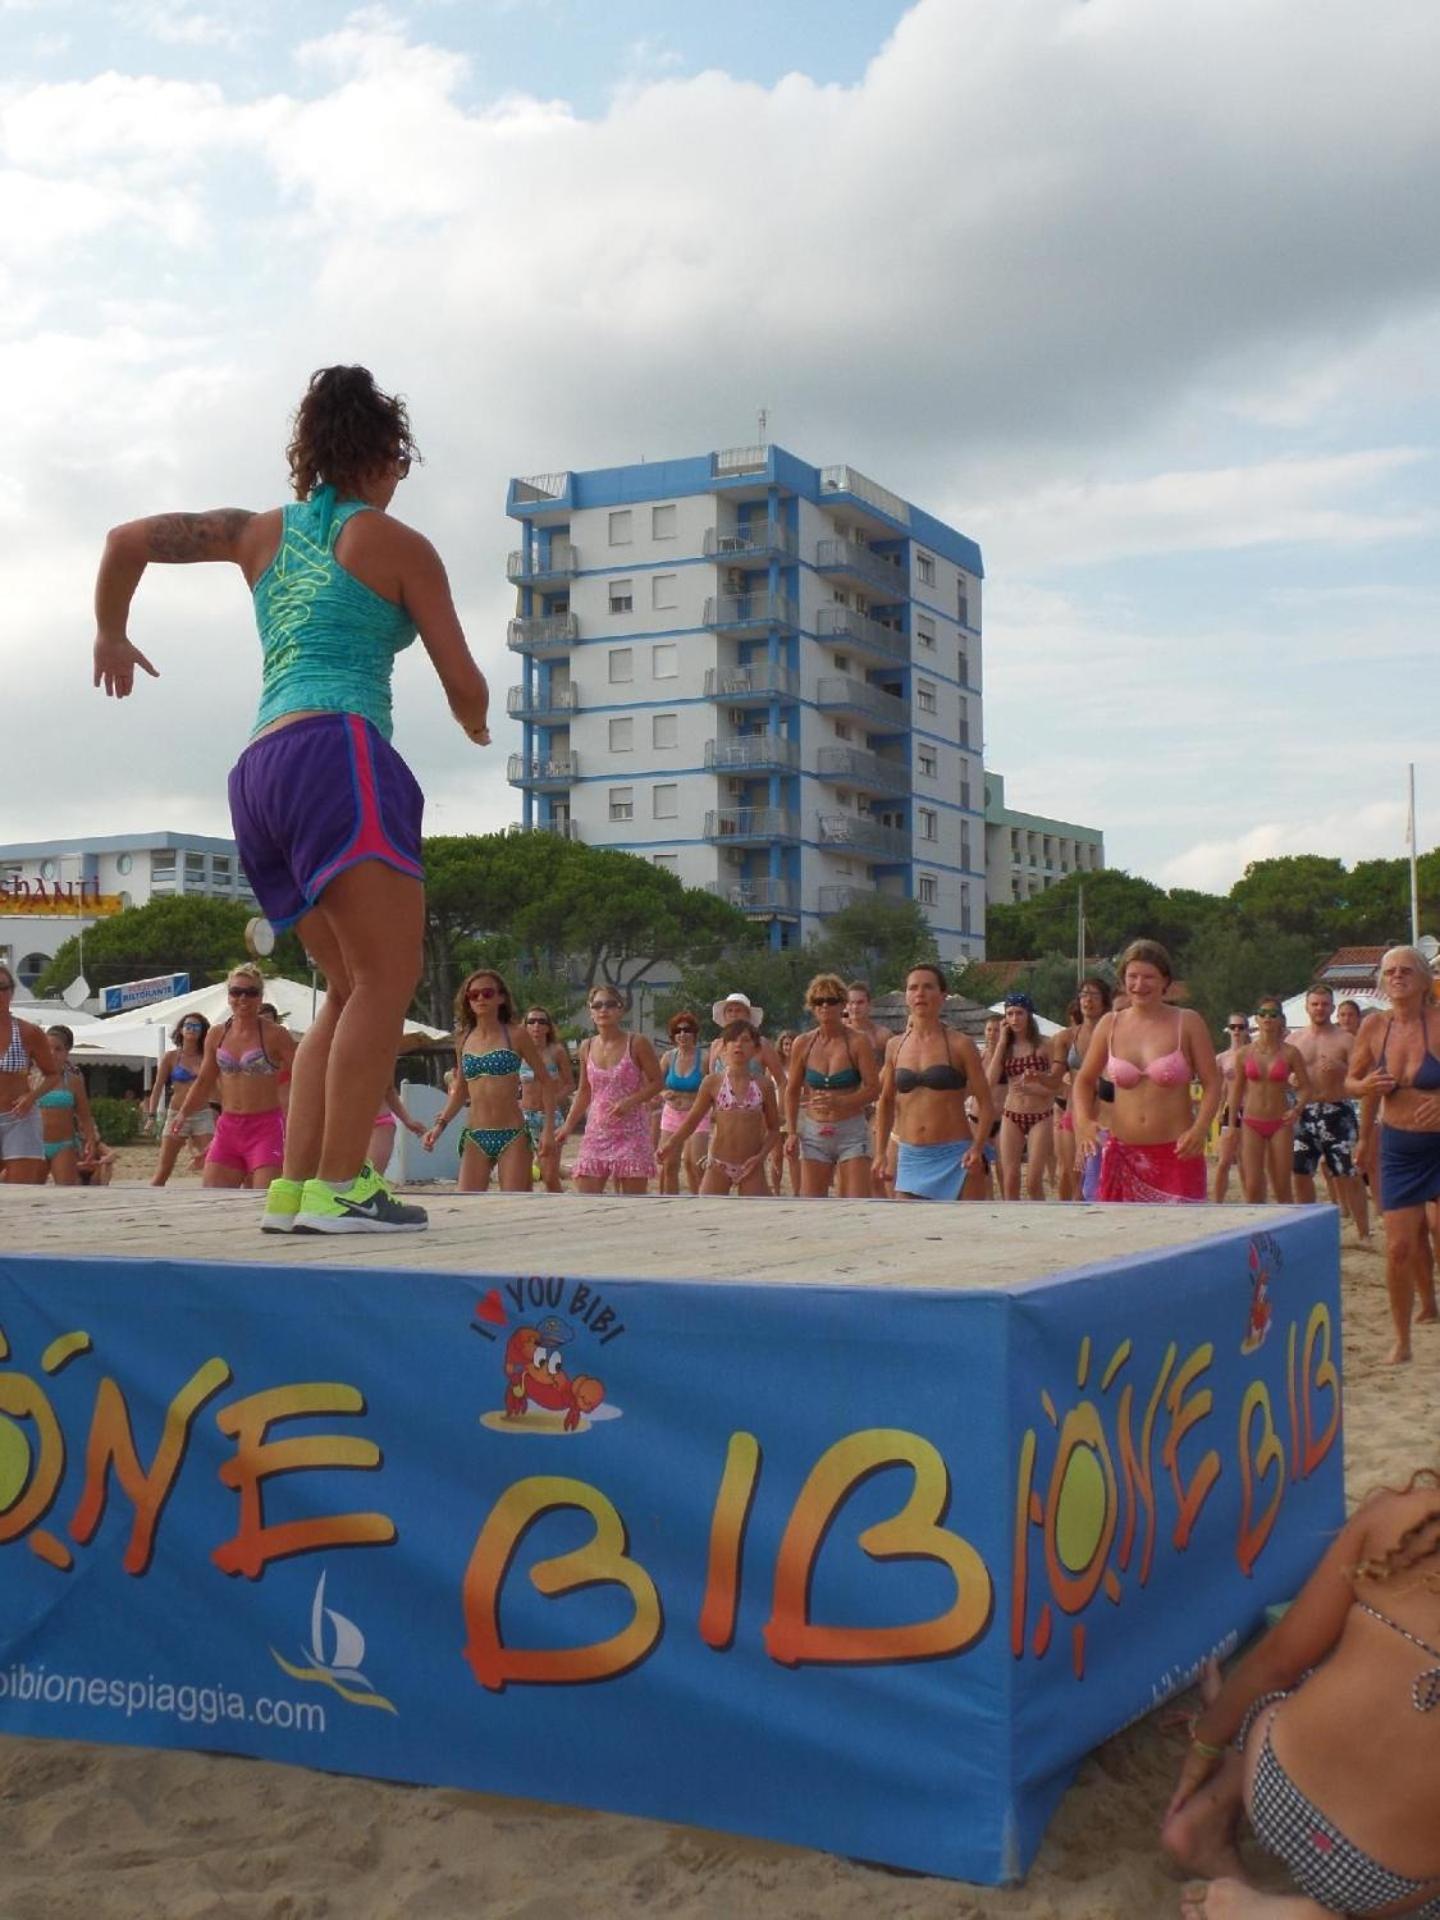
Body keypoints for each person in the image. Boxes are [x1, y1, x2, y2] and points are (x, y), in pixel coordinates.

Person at [93, 363, 490, 1234]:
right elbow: (464, 680)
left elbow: (126, 536)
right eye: (399, 463)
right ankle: (345, 1186)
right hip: (336, 750)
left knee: (345, 988)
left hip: (258, 770)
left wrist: (112, 631)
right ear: (383, 455)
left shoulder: (251, 533)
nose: (397, 480)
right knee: (389, 978)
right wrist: (475, 724)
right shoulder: (397, 544)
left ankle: (298, 1189)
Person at [1163, 1470, 1440, 1920]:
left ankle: (1209, 1816)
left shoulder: (1400, 1520)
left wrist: (1206, 1746)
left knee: (1313, 1664)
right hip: (1391, 1890)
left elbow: (1276, 1664)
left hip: (1277, 1795)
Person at [1073, 940, 1220, 1203]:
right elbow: (1084, 1080)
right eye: (1133, 977)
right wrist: (1083, 1122)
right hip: (1122, 1155)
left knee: (1180, 1238)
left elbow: (1212, 1083)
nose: (1139, 985)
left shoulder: (1187, 1022)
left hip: (1178, 1154)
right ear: (1122, 980)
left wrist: (1200, 1129)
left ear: (1166, 981)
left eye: (1149, 977)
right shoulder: (1110, 1024)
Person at [1349, 946, 1440, 1365]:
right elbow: (1352, 1081)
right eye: (1389, 972)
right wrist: (1364, 1090)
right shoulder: (1373, 1027)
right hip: (1399, 1148)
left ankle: (1430, 1305)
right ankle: (1402, 1341)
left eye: (1406, 970)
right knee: (1398, 1247)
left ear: (1424, 981)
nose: (1397, 977)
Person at [422, 970, 555, 1193]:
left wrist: (548, 1130)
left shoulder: (516, 1035)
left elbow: (547, 1081)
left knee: (512, 1205)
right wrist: (439, 1126)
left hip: (511, 1134)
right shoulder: (464, 1038)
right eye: (473, 995)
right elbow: (461, 1090)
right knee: (466, 1205)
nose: (480, 999)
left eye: (487, 993)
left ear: (501, 998)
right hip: (475, 1134)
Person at [167, 966, 297, 1193]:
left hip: (265, 1127)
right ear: (228, 996)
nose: (243, 998)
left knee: (263, 1200)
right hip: (229, 1127)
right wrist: (183, 1113)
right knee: (213, 1199)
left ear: (260, 997)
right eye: (236, 992)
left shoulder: (276, 1035)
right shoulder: (217, 1034)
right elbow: (205, 1080)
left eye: (251, 992)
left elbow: (302, 1075)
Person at [873, 964, 994, 1202]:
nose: (920, 993)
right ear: (906, 996)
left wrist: (978, 1147)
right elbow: (885, 1102)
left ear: (942, 995)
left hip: (956, 1155)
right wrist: (880, 1153)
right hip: (911, 1155)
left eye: (928, 987)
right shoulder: (894, 1046)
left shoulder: (961, 1044)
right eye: (913, 988)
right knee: (909, 1232)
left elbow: (986, 1103)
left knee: (964, 1233)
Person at [556, 987, 662, 1194]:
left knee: (632, 1203)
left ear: (621, 1010)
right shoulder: (586, 1046)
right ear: (590, 1012)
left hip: (632, 1131)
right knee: (587, 1196)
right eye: (597, 1005)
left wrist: (631, 1101)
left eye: (610, 1004)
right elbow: (584, 1091)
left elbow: (657, 1082)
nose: (603, 1010)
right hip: (597, 1129)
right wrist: (567, 1126)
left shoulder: (637, 1043)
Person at [784, 973, 881, 1199]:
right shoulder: (804, 1043)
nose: (825, 1006)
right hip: (814, 1130)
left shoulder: (857, 1042)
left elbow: (874, 1087)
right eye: (819, 1001)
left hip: (851, 1130)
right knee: (812, 1202)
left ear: (842, 1005)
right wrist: (791, 1132)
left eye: (831, 1000)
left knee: (856, 1203)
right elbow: (791, 1090)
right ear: (812, 1007)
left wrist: (842, 1101)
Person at [658, 1020, 779, 1196]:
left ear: (755, 1048)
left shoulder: (764, 1085)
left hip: (751, 1164)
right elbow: (692, 1121)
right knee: (707, 1214)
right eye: (732, 1040)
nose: (738, 1044)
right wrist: (669, 1145)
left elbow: (774, 1129)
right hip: (718, 1164)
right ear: (723, 1048)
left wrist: (760, 1157)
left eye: (745, 1040)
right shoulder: (712, 1082)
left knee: (757, 1218)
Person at [1290, 984, 1370, 1240]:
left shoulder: (1346, 1039)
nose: (1320, 1009)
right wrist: (1289, 1079)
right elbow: (1279, 1075)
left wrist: (1341, 1069)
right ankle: (1307, 1226)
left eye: (1325, 1004)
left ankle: (1363, 1232)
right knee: (1301, 1171)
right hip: (1305, 1111)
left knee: (1349, 1173)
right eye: (1315, 1004)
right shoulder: (1294, 1041)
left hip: (1338, 1110)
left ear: (1332, 1008)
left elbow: (1363, 1082)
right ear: (1307, 1007)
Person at [1233, 1001, 1313, 1204]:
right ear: (1257, 1019)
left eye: (1273, 1014)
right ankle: (1256, 1231)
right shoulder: (1244, 1054)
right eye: (1263, 1013)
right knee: (1252, 1186)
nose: (1268, 1017)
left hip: (1281, 1122)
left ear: (1280, 1020)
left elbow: (1306, 1087)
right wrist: (1230, 1125)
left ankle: (1284, 1231)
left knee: (1282, 1185)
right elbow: (1235, 1091)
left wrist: (1297, 1109)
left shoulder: (1290, 1053)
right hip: (1251, 1121)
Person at [987, 992, 1063, 1201]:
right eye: (1010, 1014)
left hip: (1041, 1113)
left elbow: (1059, 1085)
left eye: (1019, 1013)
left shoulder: (1045, 1045)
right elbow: (990, 1081)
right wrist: (1001, 1043)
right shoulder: (1007, 1048)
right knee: (1010, 1180)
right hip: (1012, 1113)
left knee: (1033, 1181)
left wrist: (1037, 1088)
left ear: (1029, 1015)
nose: (1014, 1019)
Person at [1055, 978, 1114, 1202]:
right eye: (1083, 994)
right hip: (1073, 1112)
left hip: (1101, 1113)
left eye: (1093, 995)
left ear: (1104, 1001)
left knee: (1094, 1178)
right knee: (1070, 1176)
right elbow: (1056, 1076)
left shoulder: (1111, 1034)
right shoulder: (1066, 1036)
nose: (1087, 1000)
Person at [0, 963, 58, 1184]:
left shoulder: (28, 1032)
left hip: (19, 1118)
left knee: (20, 1189)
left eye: (2, 988)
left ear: (11, 992)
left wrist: (31, 1097)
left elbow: (52, 1074)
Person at [148, 1013, 215, 1183]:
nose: (192, 1029)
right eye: (188, 1025)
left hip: (202, 1114)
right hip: (176, 1114)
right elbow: (157, 1087)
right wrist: (151, 1115)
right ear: (181, 1029)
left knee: (211, 1165)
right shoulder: (171, 1057)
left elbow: (219, 1087)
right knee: (164, 1169)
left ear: (203, 1031)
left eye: (196, 1026)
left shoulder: (207, 1057)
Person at [519, 1007, 574, 1193]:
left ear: (549, 1027)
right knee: (523, 1176)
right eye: (532, 1021)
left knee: (549, 1175)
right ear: (525, 1026)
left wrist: (552, 1100)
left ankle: (559, 1208)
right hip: (525, 1116)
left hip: (549, 1117)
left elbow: (569, 1085)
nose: (536, 1025)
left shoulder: (556, 1051)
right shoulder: (519, 1052)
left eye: (542, 1021)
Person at [656, 1010, 709, 1196]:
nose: (682, 1035)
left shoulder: (704, 1058)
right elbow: (655, 1082)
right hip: (672, 1113)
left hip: (696, 1114)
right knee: (669, 1163)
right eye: (677, 1031)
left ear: (694, 1033)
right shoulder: (669, 1057)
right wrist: (664, 1093)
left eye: (686, 1030)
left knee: (696, 1162)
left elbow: (714, 1084)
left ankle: (701, 1198)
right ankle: (669, 1202)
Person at [38, 1026, 99, 1186]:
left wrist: (91, 1141)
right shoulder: (31, 1077)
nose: (52, 1053)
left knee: (65, 1191)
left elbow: (85, 1115)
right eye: (47, 1048)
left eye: (58, 1049)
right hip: (35, 1144)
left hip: (63, 1145)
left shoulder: (73, 1081)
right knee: (30, 1190)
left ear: (67, 1053)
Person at [1212, 1015, 1251, 1205]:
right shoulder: (1222, 1058)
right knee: (1224, 1160)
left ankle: (1249, 1201)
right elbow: (1221, 1088)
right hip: (1231, 1111)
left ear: (1246, 1030)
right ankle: (1217, 1202)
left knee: (1246, 1162)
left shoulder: (1253, 1054)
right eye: (1233, 1027)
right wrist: (1219, 1111)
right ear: (1228, 1029)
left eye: (1240, 1027)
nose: (1237, 1031)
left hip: (1251, 1109)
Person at [368, 1077, 426, 1179]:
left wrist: (408, 1121)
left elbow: (388, 1087)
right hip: (344, 1123)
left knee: (369, 1180)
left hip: (378, 1121)